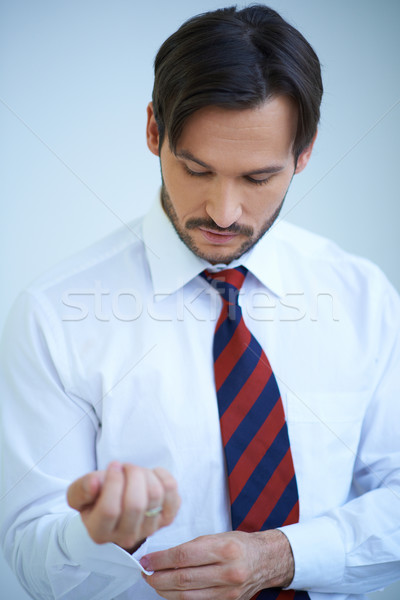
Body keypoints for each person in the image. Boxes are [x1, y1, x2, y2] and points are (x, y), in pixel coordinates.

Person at [1, 4, 399, 600]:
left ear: (306, 153)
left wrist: (285, 556)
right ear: (153, 132)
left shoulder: (362, 296)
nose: (223, 212)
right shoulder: (52, 316)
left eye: (258, 179)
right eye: (196, 169)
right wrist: (97, 538)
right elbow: (31, 562)